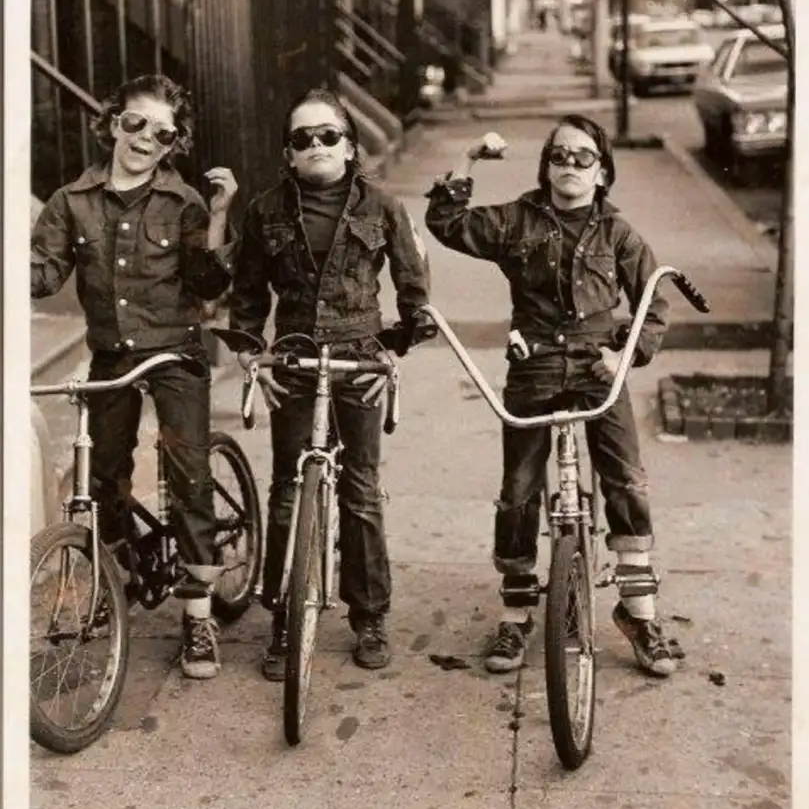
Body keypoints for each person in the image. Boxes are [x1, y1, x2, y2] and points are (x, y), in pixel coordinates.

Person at [424, 114, 681, 679]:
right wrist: (467, 158)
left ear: (603, 172)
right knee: (518, 491)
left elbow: (654, 298)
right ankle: (516, 614)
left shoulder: (618, 233)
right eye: (559, 156)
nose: (570, 165)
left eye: (584, 157)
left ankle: (639, 615)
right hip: (535, 367)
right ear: (545, 167)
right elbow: (445, 222)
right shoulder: (517, 220)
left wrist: (627, 354)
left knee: (627, 480)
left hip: (598, 368)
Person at [31, 73, 239, 680]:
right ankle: (116, 574)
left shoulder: (184, 203)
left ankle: (198, 613)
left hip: (173, 352)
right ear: (112, 123)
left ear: (175, 144)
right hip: (114, 358)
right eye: (136, 123)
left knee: (187, 468)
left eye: (163, 133)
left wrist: (221, 214)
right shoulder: (71, 202)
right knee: (102, 474)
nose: (146, 138)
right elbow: (42, 277)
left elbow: (208, 287)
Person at [228, 88, 433, 679]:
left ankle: (369, 616)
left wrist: (391, 355)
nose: (314, 145)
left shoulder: (383, 208)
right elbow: (246, 296)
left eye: (327, 135)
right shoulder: (265, 210)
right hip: (292, 360)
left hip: (358, 360)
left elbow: (414, 293)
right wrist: (250, 356)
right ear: (288, 154)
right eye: (301, 138)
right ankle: (284, 618)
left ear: (349, 146)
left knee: (361, 490)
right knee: (289, 488)